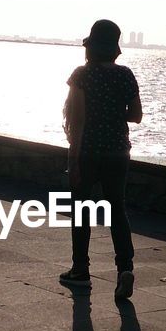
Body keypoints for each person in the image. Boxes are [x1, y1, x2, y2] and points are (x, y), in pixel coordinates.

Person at [60, 19, 143, 299]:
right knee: (117, 210)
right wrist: (112, 113)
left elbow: (77, 119)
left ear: (91, 47)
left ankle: (80, 270)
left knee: (82, 208)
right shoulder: (126, 75)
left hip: (89, 151)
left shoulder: (82, 75)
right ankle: (124, 269)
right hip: (119, 151)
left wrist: (73, 159)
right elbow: (136, 115)